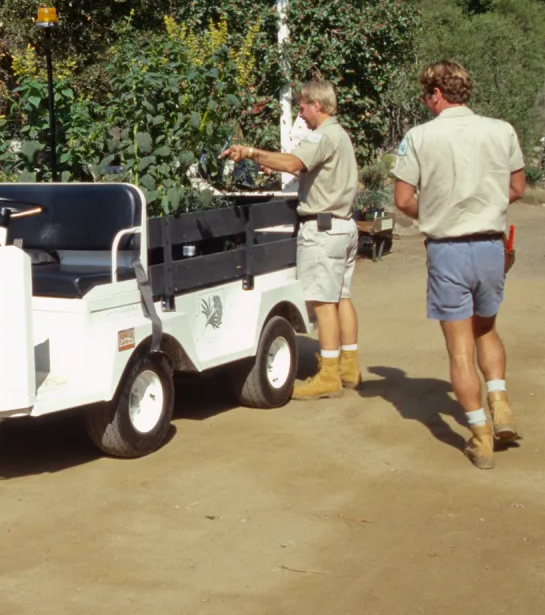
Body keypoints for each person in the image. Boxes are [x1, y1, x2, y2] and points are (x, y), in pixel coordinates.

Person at [392, 60, 525, 469]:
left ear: (436, 93)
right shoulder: (501, 130)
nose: (425, 102)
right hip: (490, 245)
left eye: (425, 95)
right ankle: (500, 402)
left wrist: (436, 212)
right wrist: (486, 206)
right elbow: (517, 187)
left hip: (447, 248)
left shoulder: (419, 137)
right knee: (486, 328)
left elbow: (402, 199)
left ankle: (480, 436)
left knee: (459, 349)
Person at [222, 78, 360, 400]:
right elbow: (310, 169)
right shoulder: (340, 135)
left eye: (303, 107)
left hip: (323, 230)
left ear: (317, 106)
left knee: (323, 303)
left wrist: (252, 153)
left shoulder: (321, 136)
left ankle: (328, 376)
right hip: (343, 226)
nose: (301, 114)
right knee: (342, 298)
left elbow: (294, 162)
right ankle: (348, 366)